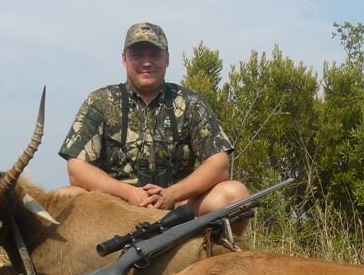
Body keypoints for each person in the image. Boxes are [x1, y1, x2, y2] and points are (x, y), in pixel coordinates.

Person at [58, 22, 248, 218]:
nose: (146, 62)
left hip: (177, 210)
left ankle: (218, 248)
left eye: (154, 55)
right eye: (137, 55)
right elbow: (76, 169)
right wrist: (129, 193)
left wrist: (171, 195)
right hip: (115, 209)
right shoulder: (100, 101)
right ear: (124, 59)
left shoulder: (190, 102)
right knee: (64, 197)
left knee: (236, 195)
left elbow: (219, 164)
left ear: (167, 59)